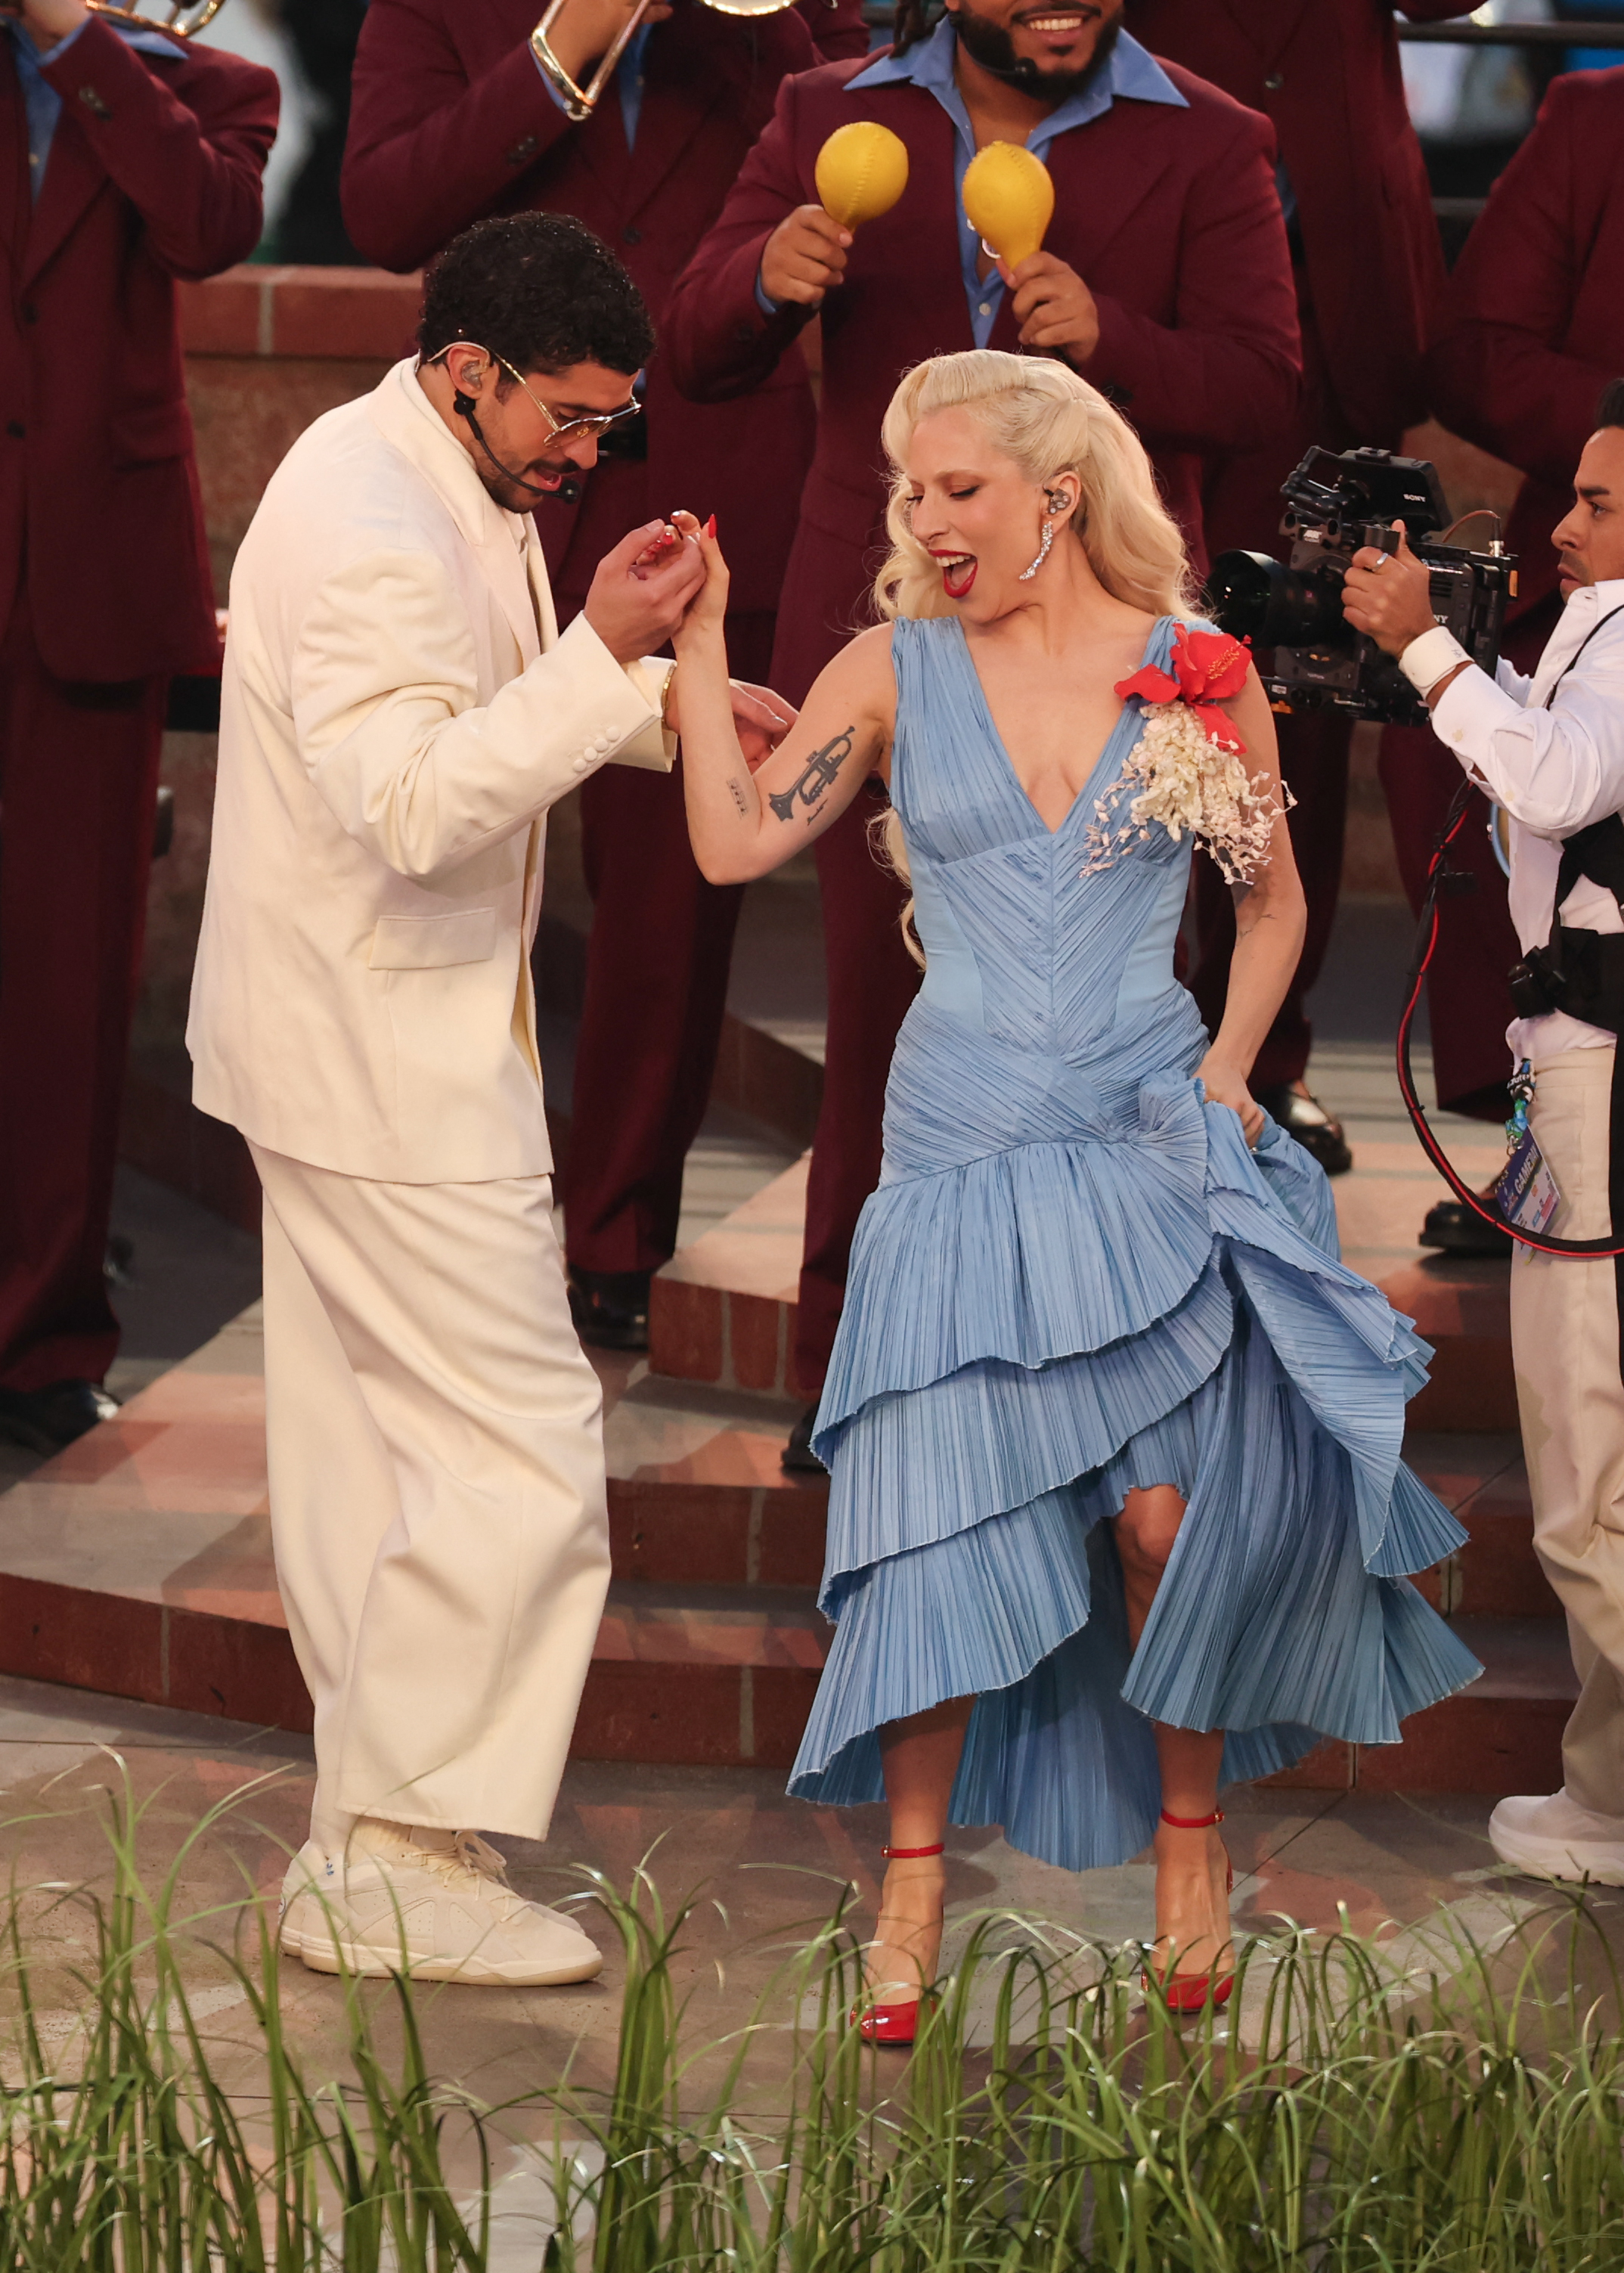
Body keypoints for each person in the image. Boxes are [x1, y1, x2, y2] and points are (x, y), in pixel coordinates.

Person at [669, 350, 1478, 2033]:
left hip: (1138, 1129)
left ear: (1055, 494)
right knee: (932, 1531)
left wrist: (1229, 1073)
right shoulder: (889, 667)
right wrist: (695, 647)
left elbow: (1266, 907)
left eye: (956, 488)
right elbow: (738, 839)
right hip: (960, 1141)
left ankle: (1190, 1842)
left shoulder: (1196, 671)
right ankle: (908, 1889)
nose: (925, 520)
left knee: (1166, 1526)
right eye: (911, 493)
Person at [187, 214, 783, 1984]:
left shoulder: (418, 460)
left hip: (360, 1037)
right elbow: (423, 806)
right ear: (469, 370)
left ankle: (363, 1846)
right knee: (523, 1442)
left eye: (615, 426)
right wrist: (609, 656)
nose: (589, 456)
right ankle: (409, 1850)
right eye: (571, 421)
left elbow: (478, 708)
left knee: (376, 1454)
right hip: (386, 1061)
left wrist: (671, 709)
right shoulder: (367, 520)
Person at [666, 0, 1301, 1465]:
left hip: (1111, 670)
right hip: (888, 654)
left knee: (1104, 1023)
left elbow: (1268, 381)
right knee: (889, 1025)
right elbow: (693, 340)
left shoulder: (1213, 140)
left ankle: (1106, 1403)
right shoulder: (824, 118)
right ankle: (862, 1397)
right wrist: (763, 280)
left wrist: (1117, 337)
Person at [342, 0, 861, 1351]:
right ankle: (440, 1214)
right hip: (481, 480)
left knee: (668, 901)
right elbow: (387, 210)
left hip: (707, 474)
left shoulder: (774, 27)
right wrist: (565, 45)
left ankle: (616, 1240)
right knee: (438, 846)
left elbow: (849, 136)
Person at [1344, 380, 1624, 1889]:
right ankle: (1607, 1798)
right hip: (1577, 1058)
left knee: (1589, 1481)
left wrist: (1425, 646)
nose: (1560, 524)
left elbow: (1563, 776)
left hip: (1602, 1075)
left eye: (1596, 504)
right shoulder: (1599, 632)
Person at [1126, 0, 1477, 1180]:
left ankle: (1267, 1055)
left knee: (1307, 706)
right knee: (1140, 694)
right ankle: (1133, 1044)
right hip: (1171, 290)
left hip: (1348, 321)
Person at [0, 0, 276, 1456]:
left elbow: (209, 225)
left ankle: (41, 1341)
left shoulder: (208, 86)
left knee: (65, 986)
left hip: (91, 596)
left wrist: (76, 43)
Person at [1405, 62, 1624, 1255]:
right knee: (1452, 752)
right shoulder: (1596, 119)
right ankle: (1536, 1143)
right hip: (1598, 575)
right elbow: (1473, 349)